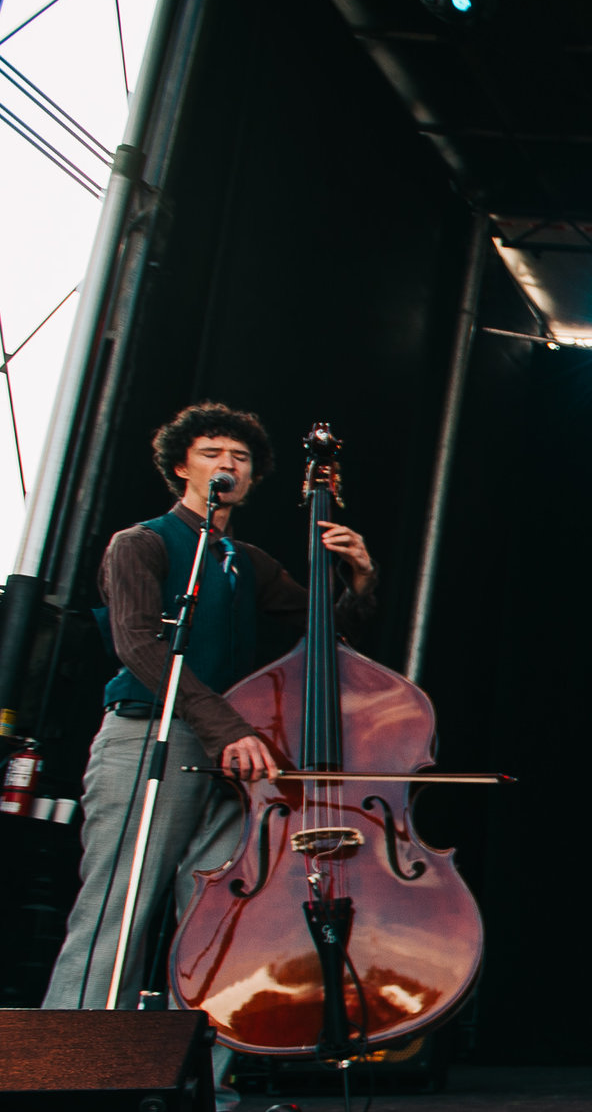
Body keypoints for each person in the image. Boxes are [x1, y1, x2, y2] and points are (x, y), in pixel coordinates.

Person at [45, 403, 380, 1012]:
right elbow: (139, 645)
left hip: (234, 752)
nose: (229, 464)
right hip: (151, 735)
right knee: (119, 908)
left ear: (251, 480)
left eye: (242, 458)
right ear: (181, 467)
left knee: (220, 913)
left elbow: (323, 631)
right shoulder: (141, 543)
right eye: (212, 453)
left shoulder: (246, 561)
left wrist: (358, 576)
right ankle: (72, 1075)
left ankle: (199, 1084)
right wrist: (228, 727)